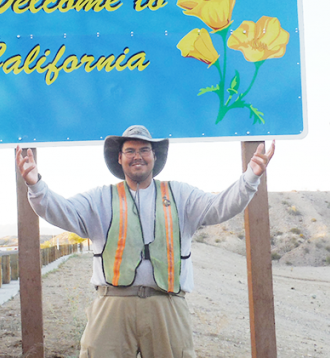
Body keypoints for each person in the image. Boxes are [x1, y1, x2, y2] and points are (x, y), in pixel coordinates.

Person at [15, 124, 274, 358]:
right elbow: (61, 210)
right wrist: (36, 185)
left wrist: (250, 177)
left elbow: (219, 207)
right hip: (112, 305)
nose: (137, 155)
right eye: (129, 150)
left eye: (144, 149)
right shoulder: (100, 198)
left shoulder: (181, 194)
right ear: (119, 158)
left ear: (154, 156)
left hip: (167, 305)